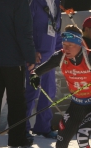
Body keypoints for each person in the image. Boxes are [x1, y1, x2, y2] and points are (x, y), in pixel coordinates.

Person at [0, 0, 36, 148]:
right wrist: (30, 57)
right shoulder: (19, 3)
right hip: (12, 58)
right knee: (16, 100)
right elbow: (24, 32)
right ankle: (17, 139)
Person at [25, 0, 62, 140]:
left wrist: (61, 53)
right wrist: (31, 50)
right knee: (31, 92)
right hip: (36, 57)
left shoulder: (56, 3)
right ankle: (24, 129)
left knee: (49, 93)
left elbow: (57, 31)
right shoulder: (34, 3)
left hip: (50, 58)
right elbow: (25, 27)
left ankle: (43, 127)